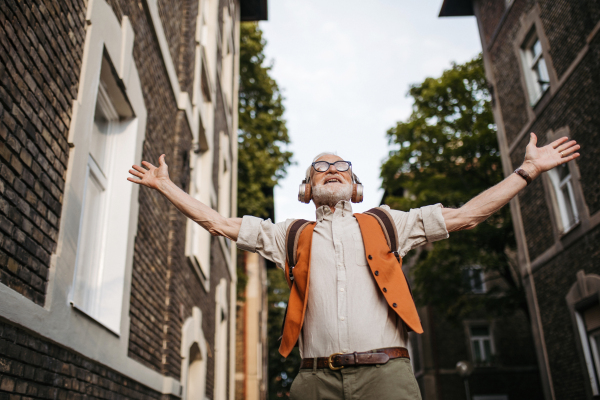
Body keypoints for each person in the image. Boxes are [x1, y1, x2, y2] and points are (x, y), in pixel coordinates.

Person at [127, 133, 580, 400]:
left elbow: (468, 214)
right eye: (319, 167)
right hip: (313, 380)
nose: (331, 169)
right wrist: (166, 186)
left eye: (342, 166)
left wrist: (526, 172)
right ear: (306, 189)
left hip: (387, 378)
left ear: (356, 187)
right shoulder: (288, 234)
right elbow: (220, 223)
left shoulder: (389, 222)